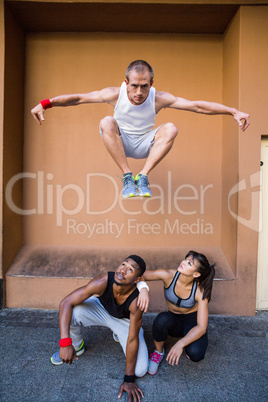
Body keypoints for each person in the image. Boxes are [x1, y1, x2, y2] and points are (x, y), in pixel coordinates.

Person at [31, 60, 250, 198]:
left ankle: (142, 177)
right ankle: (128, 176)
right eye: (134, 85)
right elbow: (77, 99)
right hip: (120, 141)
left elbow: (197, 106)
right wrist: (45, 103)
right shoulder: (113, 94)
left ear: (151, 83)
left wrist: (233, 111)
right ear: (125, 82)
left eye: (144, 86)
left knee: (171, 128)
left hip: (147, 143)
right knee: (107, 121)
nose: (138, 92)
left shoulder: (159, 98)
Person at [50, 255, 149, 401]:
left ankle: (118, 334)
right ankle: (77, 346)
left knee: (139, 370)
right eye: (123, 264)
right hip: (102, 309)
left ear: (137, 280)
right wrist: (65, 343)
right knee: (73, 312)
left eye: (130, 269)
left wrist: (129, 379)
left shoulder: (136, 301)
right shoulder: (103, 281)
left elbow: (133, 339)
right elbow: (66, 302)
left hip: (124, 322)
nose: (122, 270)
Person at [140, 250, 215, 375]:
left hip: (191, 322)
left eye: (190, 263)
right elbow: (140, 275)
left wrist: (180, 344)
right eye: (186, 259)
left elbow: (201, 327)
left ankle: (188, 343)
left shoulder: (200, 291)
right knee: (161, 319)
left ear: (196, 274)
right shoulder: (168, 275)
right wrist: (143, 289)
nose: (184, 263)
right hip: (173, 320)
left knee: (196, 354)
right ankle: (158, 352)